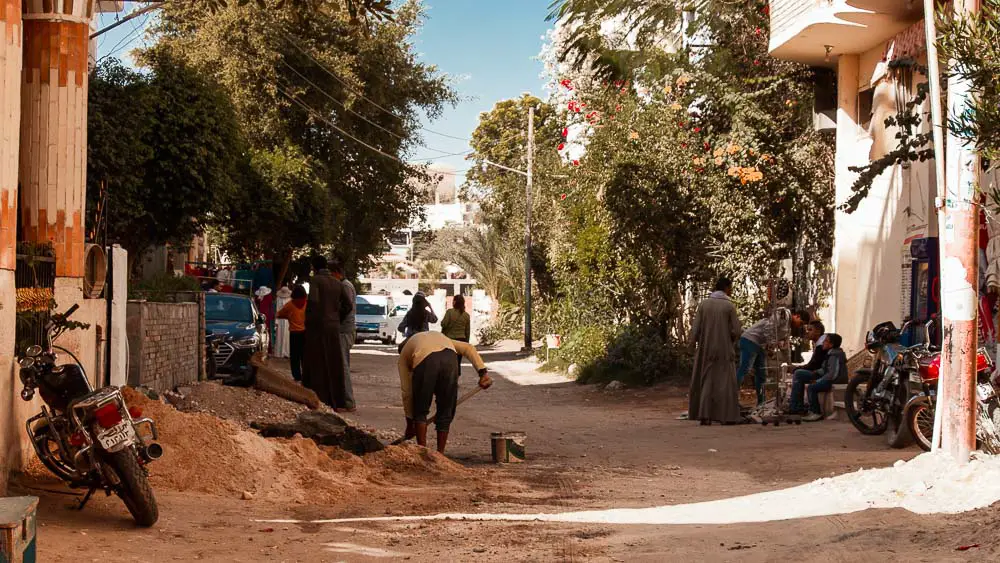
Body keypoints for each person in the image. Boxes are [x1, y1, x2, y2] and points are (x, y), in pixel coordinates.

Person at [398, 331, 493, 454]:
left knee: (420, 409)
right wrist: (483, 373)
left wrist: (410, 423)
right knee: (445, 408)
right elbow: (468, 348)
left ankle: (423, 453)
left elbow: (407, 392)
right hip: (450, 360)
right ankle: (440, 454)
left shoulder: (403, 357)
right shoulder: (438, 337)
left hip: (426, 362)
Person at [688, 277, 743, 425]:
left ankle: (704, 415)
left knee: (707, 380)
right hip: (724, 349)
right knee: (725, 381)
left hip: (706, 348)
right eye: (730, 287)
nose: (731, 291)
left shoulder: (704, 304)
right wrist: (731, 340)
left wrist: (692, 344)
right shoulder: (729, 306)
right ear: (726, 288)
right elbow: (737, 330)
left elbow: (695, 329)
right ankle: (726, 416)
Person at [303, 255, 354, 411]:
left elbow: (313, 303)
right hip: (333, 327)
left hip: (318, 328)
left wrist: (310, 323)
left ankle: (318, 398)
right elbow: (348, 305)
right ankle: (338, 402)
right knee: (334, 364)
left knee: (317, 364)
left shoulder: (316, 281)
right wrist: (336, 317)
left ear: (314, 267)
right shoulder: (337, 283)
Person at [738, 308, 811, 406]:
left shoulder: (788, 328)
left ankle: (761, 403)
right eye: (801, 323)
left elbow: (785, 347)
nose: (799, 326)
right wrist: (772, 345)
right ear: (797, 316)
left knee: (762, 374)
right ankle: (733, 398)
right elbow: (769, 328)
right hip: (751, 339)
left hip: (761, 345)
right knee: (745, 369)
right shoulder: (783, 314)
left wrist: (789, 363)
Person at [331, 260, 357, 410]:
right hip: (345, 329)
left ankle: (348, 401)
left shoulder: (345, 286)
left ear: (336, 273)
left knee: (343, 367)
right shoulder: (346, 285)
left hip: (344, 330)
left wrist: (335, 320)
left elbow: (346, 307)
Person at [786, 320, 827, 414]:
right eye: (807, 329)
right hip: (819, 372)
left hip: (823, 374)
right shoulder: (818, 343)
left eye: (810, 329)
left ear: (818, 331)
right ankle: (796, 406)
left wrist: (796, 368)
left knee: (799, 374)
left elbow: (813, 365)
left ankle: (795, 408)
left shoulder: (822, 345)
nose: (807, 332)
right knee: (798, 373)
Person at [803, 333, 847, 422]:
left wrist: (819, 380)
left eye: (826, 341)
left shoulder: (834, 355)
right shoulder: (831, 353)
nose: (823, 342)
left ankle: (816, 412)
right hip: (832, 379)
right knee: (811, 385)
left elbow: (832, 374)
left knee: (812, 387)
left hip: (835, 380)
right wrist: (817, 372)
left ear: (831, 344)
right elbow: (826, 369)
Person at [276, 285, 307, 382]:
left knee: (294, 356)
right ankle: (306, 375)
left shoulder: (290, 304)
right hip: (305, 333)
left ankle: (297, 376)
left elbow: (278, 314)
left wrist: (288, 317)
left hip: (294, 333)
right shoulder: (307, 303)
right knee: (304, 355)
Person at [441, 295, 472, 369]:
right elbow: (467, 331)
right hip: (461, 340)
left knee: (448, 361)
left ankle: (449, 378)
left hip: (450, 341)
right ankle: (456, 378)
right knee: (458, 363)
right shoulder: (466, 315)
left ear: (454, 302)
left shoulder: (449, 312)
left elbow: (443, 324)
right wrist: (466, 343)